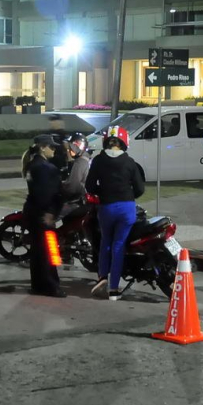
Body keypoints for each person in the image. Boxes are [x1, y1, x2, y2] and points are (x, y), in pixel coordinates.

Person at [85, 125, 145, 301]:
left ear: (107, 142)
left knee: (106, 243)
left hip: (107, 208)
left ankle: (102, 277)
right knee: (119, 245)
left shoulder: (98, 160)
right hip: (127, 208)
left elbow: (89, 186)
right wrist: (127, 196)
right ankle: (113, 289)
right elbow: (140, 188)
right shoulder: (130, 162)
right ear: (124, 142)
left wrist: (103, 192)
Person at [23, 135, 65, 297]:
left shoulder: (32, 165)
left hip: (33, 212)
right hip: (44, 214)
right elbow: (51, 194)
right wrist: (51, 213)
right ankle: (51, 286)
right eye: (51, 147)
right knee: (50, 251)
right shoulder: (46, 168)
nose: (54, 149)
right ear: (42, 147)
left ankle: (38, 285)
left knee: (37, 251)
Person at [59, 133, 91, 219]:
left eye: (73, 147)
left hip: (78, 202)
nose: (69, 151)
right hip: (85, 200)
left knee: (52, 214)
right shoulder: (86, 159)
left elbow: (72, 187)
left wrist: (60, 189)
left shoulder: (80, 162)